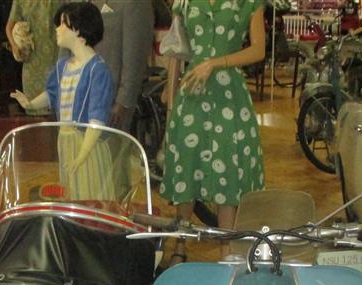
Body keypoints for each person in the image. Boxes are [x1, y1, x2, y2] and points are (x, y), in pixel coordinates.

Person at [160, 0, 267, 235]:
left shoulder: (249, 3)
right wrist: (171, 94)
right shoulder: (185, 2)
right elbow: (176, 49)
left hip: (230, 96)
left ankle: (226, 245)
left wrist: (214, 63)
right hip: (192, 94)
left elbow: (259, 50)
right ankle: (181, 242)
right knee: (187, 165)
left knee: (227, 166)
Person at [11, 3, 115, 198]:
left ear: (79, 29)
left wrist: (82, 155)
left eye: (62, 24)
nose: (57, 29)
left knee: (89, 191)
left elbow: (97, 119)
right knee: (71, 192)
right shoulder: (63, 66)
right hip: (65, 139)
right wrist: (30, 103)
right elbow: (52, 94)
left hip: (87, 143)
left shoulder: (97, 70)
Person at [89, 0, 155, 132]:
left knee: (108, 144)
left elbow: (136, 52)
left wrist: (124, 101)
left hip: (111, 99)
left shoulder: (135, 3)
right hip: (76, 95)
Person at [6, 0, 65, 114]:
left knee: (58, 107)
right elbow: (9, 26)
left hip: (57, 56)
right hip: (32, 62)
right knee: (33, 108)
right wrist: (14, 45)